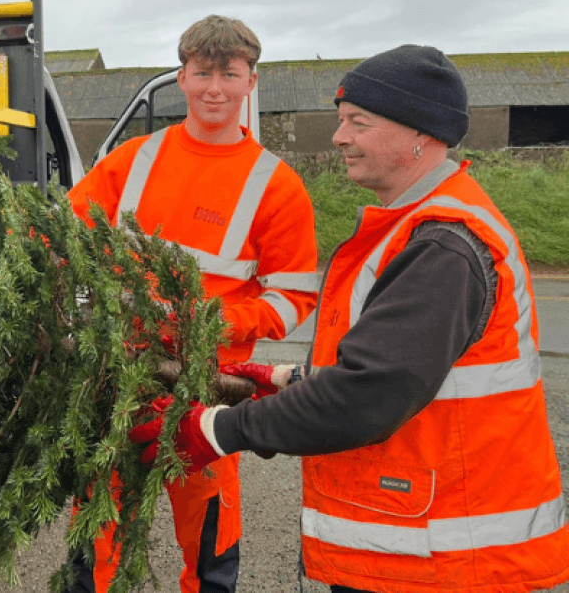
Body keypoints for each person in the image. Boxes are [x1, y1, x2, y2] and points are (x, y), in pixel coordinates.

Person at [132, 44, 569, 592]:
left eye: (356, 123)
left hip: (449, 561)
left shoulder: (443, 245)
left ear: (420, 135)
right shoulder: (404, 226)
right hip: (423, 547)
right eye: (341, 122)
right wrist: (288, 381)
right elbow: (392, 368)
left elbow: (369, 394)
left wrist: (218, 429)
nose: (338, 138)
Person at [65, 15, 320, 593]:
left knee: (209, 557)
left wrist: (211, 323)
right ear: (180, 77)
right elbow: (61, 232)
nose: (214, 88)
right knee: (96, 549)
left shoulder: (275, 185)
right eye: (202, 72)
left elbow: (294, 296)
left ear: (251, 82)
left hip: (208, 391)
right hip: (117, 382)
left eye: (229, 74)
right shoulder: (133, 159)